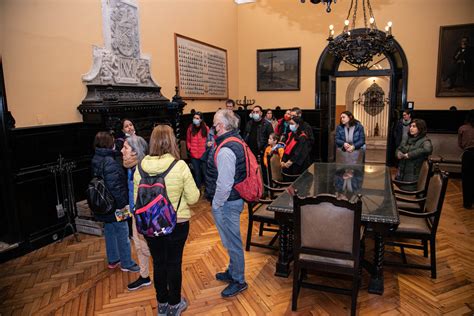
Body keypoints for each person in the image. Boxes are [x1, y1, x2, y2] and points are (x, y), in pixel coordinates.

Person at [134, 125, 199, 316]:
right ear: (171, 141)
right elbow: (194, 197)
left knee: (159, 262)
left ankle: (161, 304)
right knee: (174, 263)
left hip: (150, 225)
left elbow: (136, 200)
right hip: (177, 223)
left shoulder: (140, 167)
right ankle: (175, 304)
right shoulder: (179, 166)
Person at [205, 109, 248, 297]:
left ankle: (239, 280)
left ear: (221, 126)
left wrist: (216, 203)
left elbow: (224, 184)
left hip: (228, 202)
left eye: (214, 124)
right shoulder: (235, 140)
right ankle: (233, 271)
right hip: (232, 199)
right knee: (231, 241)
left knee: (233, 242)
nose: (213, 127)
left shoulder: (226, 149)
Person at [91, 132, 140, 273]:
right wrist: (124, 205)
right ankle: (127, 262)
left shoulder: (96, 158)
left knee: (110, 230)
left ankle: (113, 259)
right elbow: (115, 187)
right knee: (123, 230)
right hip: (115, 204)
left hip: (103, 203)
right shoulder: (110, 161)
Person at [121, 135, 152, 291]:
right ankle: (144, 276)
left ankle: (164, 273)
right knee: (139, 247)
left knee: (148, 247)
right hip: (134, 213)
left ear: (135, 152)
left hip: (145, 215)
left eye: (125, 147)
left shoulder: (143, 168)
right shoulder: (129, 167)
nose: (122, 150)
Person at [396, 119, 433, 191]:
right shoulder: (406, 137)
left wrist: (410, 154)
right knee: (397, 189)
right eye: (410, 126)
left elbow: (428, 149)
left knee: (405, 192)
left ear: (420, 128)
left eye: (414, 126)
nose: (411, 128)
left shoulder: (425, 140)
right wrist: (397, 153)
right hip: (401, 173)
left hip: (413, 175)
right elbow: (399, 148)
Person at [186, 112, 209, 189]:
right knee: (197, 173)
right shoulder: (190, 128)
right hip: (194, 155)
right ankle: (198, 189)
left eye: (197, 118)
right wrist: (190, 148)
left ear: (201, 120)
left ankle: (207, 190)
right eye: (194, 118)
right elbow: (188, 140)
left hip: (203, 155)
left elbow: (209, 140)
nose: (195, 119)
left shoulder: (206, 128)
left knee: (205, 173)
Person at [458, 110, 474, 209]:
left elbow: (460, 144)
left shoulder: (462, 128)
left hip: (468, 155)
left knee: (467, 179)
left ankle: (467, 203)